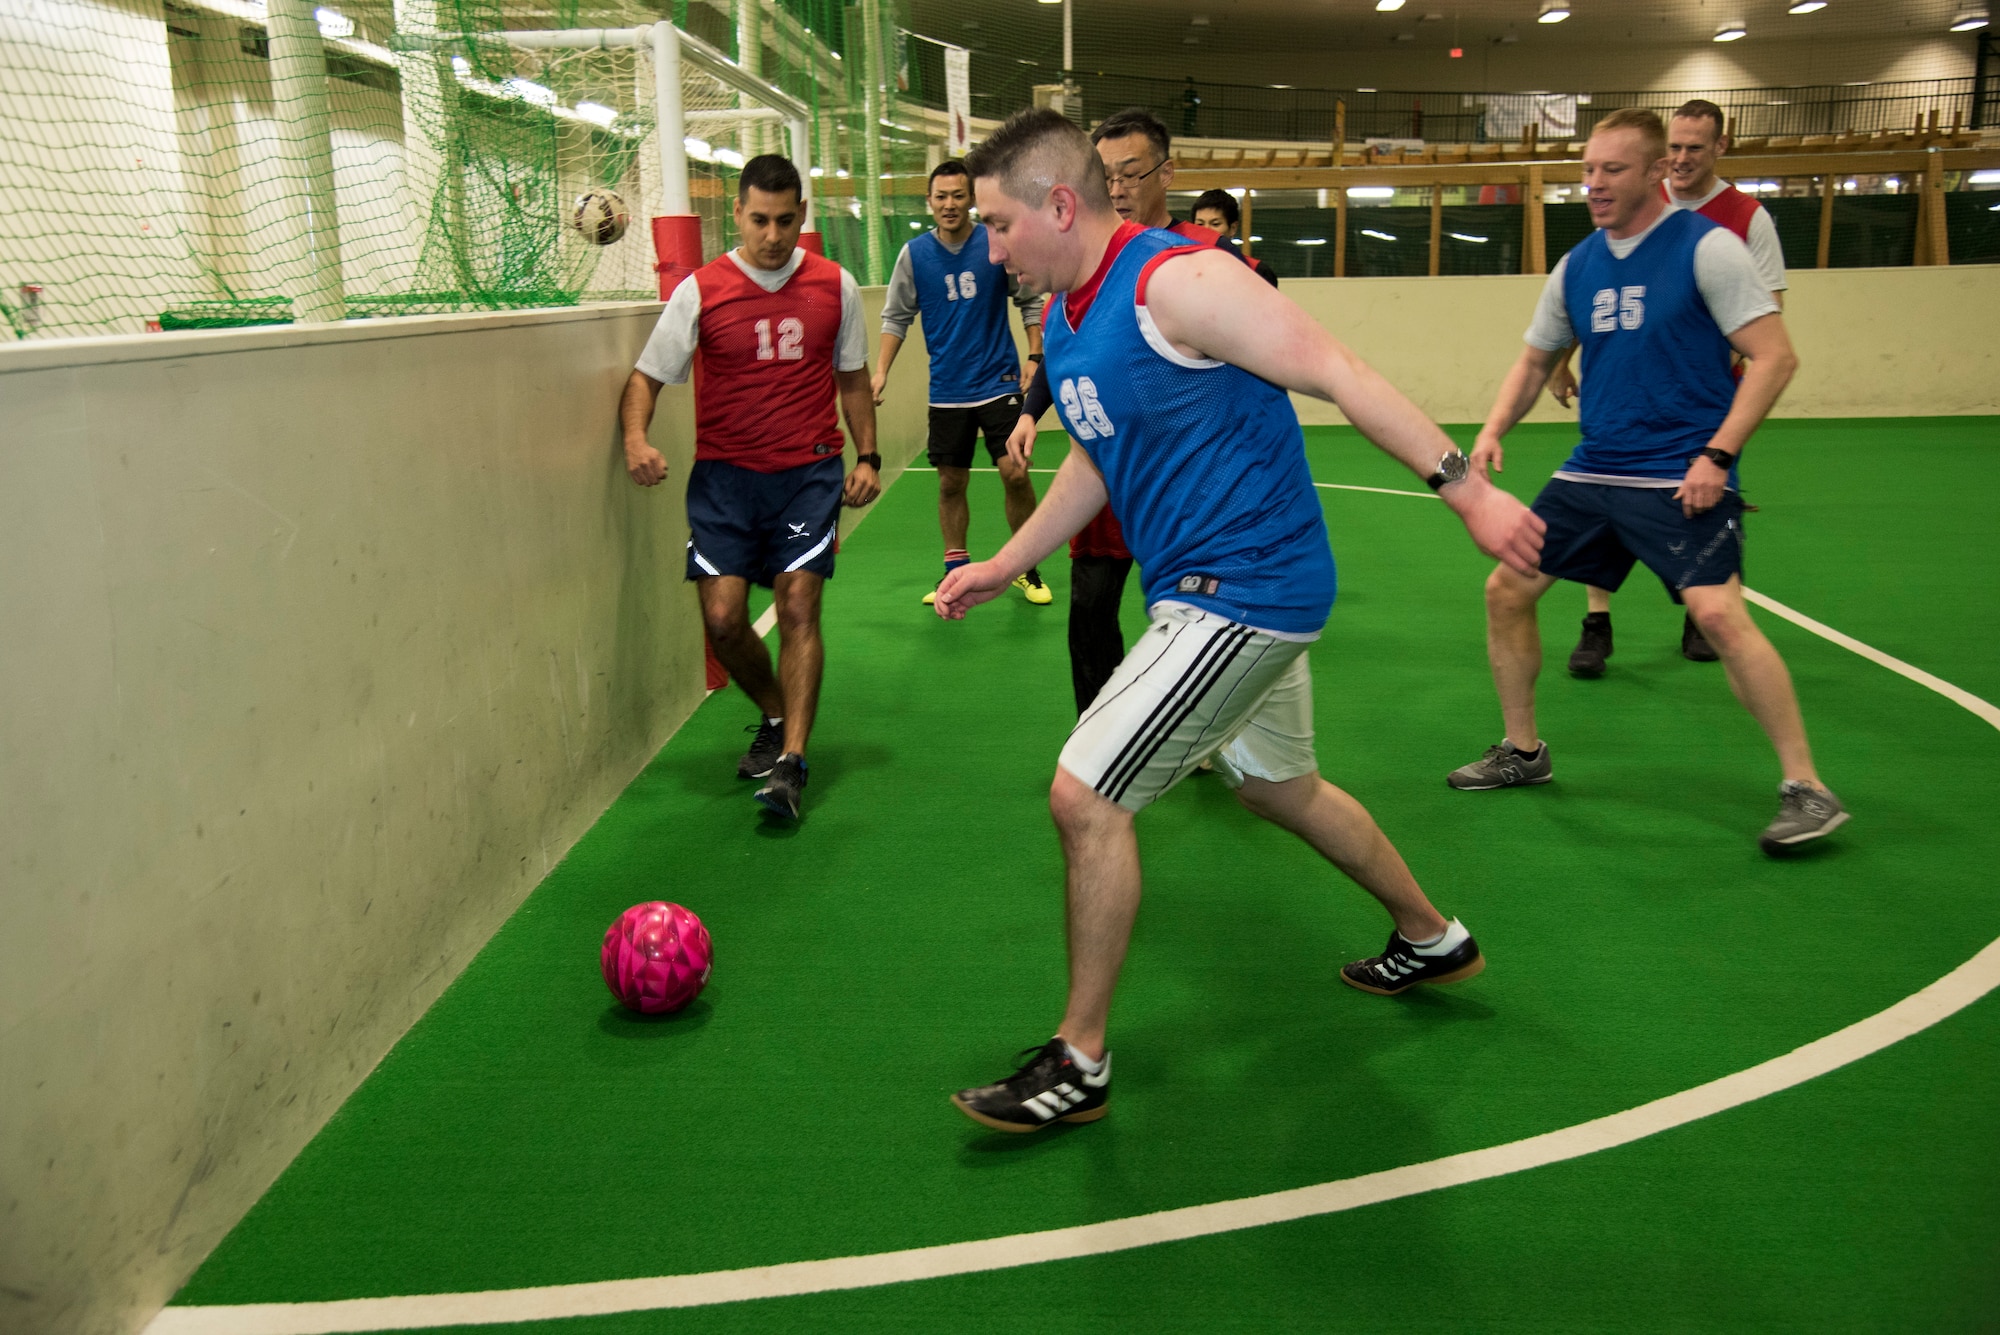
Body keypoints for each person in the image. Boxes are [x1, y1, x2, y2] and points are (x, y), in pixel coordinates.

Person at [939, 109, 1545, 1133]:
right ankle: (1431, 936)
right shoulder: (1071, 318)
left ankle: (1077, 1062)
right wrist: (1005, 560)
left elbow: (1336, 371)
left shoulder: (1179, 282)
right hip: (1206, 587)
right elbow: (1096, 455)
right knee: (1278, 785)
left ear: (1054, 204)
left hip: (1245, 588)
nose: (989, 249)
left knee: (1083, 798)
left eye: (997, 224)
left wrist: (1466, 491)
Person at [1449, 108, 1848, 858]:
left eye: (1613, 170)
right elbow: (1537, 360)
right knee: (1507, 589)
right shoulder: (1578, 263)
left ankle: (1807, 787)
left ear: (1656, 171)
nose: (1594, 185)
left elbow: (1774, 358)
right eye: (1588, 170)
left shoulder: (1710, 250)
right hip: (1595, 468)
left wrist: (1718, 456)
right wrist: (1495, 428)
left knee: (1720, 616)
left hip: (1680, 472)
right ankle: (1523, 750)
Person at [619, 154, 879, 822]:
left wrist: (868, 455)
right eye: (759, 219)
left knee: (798, 606)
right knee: (724, 621)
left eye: (785, 220)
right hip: (725, 482)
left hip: (808, 476)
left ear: (801, 216)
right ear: (735, 213)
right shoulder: (702, 289)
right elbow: (647, 376)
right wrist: (636, 440)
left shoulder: (835, 284)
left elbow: (852, 378)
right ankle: (772, 712)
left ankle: (791, 761)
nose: (772, 234)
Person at [1007, 108, 1243, 716]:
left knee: (1199, 614)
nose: (1115, 188)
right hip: (1107, 470)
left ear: (1167, 173)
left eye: (1130, 173)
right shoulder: (1083, 263)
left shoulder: (1207, 256)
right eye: (1103, 175)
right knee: (1090, 609)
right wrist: (1033, 411)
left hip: (1190, 483)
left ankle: (1201, 728)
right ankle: (1098, 725)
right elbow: (1066, 350)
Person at [1550, 98, 1789, 676]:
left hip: (1700, 399)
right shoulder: (1628, 212)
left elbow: (1767, 314)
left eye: (1694, 149)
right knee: (1603, 487)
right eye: (1675, 147)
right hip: (1623, 402)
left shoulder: (1742, 219)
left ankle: (1700, 607)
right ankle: (1597, 622)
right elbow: (1602, 299)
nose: (1682, 159)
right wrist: (1564, 358)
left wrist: (1689, 356)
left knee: (1702, 496)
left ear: (1720, 149)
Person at [874, 160, 1053, 607]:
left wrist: (1034, 355)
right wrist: (880, 371)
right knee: (950, 483)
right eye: (941, 196)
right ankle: (954, 571)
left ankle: (1024, 568)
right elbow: (897, 317)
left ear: (970, 199)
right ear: (930, 201)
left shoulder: (995, 243)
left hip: (999, 382)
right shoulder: (913, 255)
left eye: (958, 195)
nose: (950, 204)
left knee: (1015, 473)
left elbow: (1030, 298)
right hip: (947, 392)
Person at [1190, 188, 1279, 287]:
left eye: (1215, 224)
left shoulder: (1257, 271)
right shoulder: (1182, 269)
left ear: (1233, 228)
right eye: (1199, 224)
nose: (1206, 231)